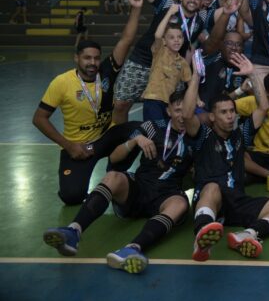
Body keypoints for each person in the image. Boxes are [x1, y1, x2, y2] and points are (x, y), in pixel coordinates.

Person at [42, 91, 192, 274]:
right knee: (114, 176)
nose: (182, 115)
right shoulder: (152, 127)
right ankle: (73, 232)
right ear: (168, 111)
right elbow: (114, 157)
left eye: (186, 110)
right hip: (139, 188)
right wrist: (135, 141)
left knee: (181, 203)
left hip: (167, 195)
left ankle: (132, 249)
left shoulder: (196, 137)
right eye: (177, 110)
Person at [182, 60, 269, 262]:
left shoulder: (240, 135)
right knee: (212, 187)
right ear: (212, 116)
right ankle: (202, 236)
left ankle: (247, 235)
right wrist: (195, 77)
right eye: (223, 112)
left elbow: (263, 108)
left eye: (232, 111)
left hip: (237, 201)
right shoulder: (203, 137)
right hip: (213, 202)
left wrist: (253, 74)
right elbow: (186, 115)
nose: (230, 116)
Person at [32, 0, 145, 204]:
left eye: (95, 57)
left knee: (143, 130)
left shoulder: (107, 71)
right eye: (86, 58)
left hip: (106, 137)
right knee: (71, 196)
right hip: (79, 147)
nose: (92, 62)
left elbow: (126, 40)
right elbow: (39, 118)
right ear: (77, 59)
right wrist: (68, 145)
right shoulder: (61, 82)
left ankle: (116, 173)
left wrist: (136, 8)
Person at [112, 0, 210, 125]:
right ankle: (122, 138)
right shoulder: (168, 5)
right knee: (121, 104)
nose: (193, 0)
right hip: (143, 60)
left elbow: (190, 47)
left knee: (172, 108)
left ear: (202, 1)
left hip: (170, 67)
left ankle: (165, 142)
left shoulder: (202, 18)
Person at [140, 4, 192, 121]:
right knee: (154, 133)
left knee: (165, 134)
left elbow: (190, 82)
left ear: (183, 40)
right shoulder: (159, 51)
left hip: (169, 104)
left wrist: (197, 100)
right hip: (153, 100)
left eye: (179, 37)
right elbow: (158, 34)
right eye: (172, 37)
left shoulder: (182, 62)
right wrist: (170, 13)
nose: (176, 40)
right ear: (164, 41)